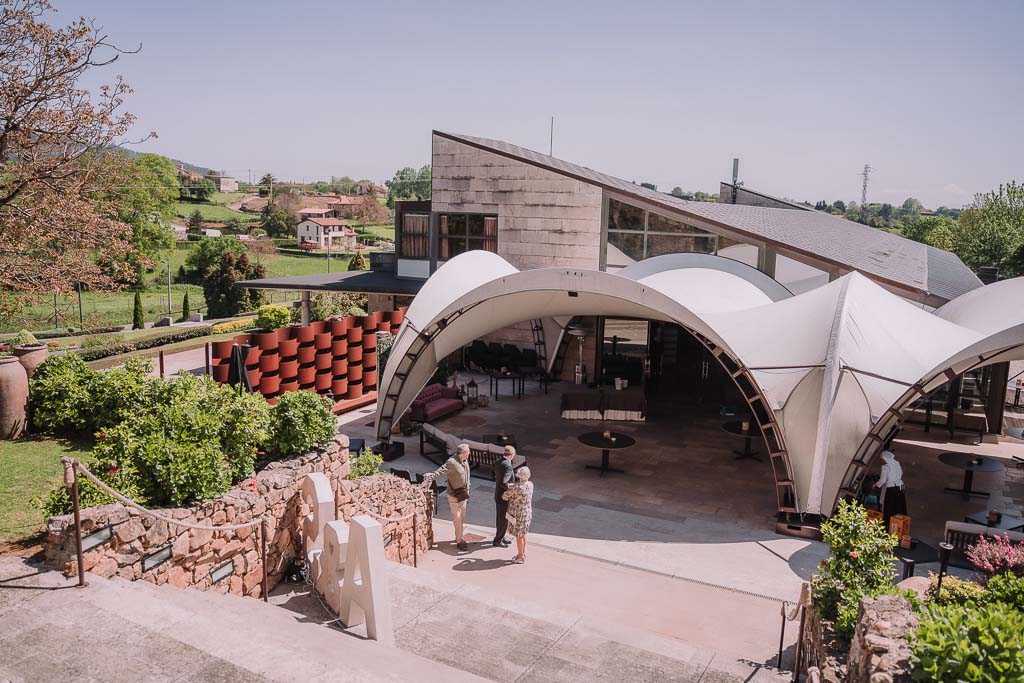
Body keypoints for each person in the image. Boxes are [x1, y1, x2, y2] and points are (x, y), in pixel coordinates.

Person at [421, 443, 472, 551]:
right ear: (463, 453)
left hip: (463, 494)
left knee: (462, 518)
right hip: (453, 495)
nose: (469, 454)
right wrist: (429, 477)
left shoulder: (465, 460)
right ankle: (459, 540)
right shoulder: (451, 462)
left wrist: (468, 486)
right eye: (468, 452)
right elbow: (440, 472)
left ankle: (458, 535)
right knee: (457, 518)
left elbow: (467, 474)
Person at [502, 466, 534, 564]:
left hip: (517, 515)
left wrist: (513, 486)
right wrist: (515, 485)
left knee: (519, 536)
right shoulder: (530, 484)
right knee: (523, 534)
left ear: (519, 476)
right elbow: (521, 487)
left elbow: (504, 496)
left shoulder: (517, 488)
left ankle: (520, 557)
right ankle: (522, 553)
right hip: (527, 513)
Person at [874, 449, 906, 528]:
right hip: (900, 487)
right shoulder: (897, 463)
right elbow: (901, 473)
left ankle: (888, 525)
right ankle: (899, 525)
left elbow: (883, 480)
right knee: (899, 507)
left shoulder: (885, 467)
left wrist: (876, 485)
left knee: (889, 507)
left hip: (891, 489)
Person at [492, 445, 516, 547]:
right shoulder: (508, 465)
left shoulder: (498, 461)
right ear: (511, 455)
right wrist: (513, 486)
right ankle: (497, 541)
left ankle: (501, 536)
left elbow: (493, 474)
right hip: (504, 497)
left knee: (500, 519)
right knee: (503, 519)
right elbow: (504, 482)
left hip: (498, 494)